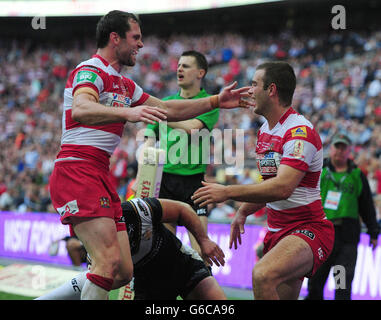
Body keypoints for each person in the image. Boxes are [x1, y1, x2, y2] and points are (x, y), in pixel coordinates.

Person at [48, 10, 252, 299]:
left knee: (121, 271)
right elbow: (81, 109)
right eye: (136, 37)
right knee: (107, 264)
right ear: (115, 38)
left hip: (98, 172)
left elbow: (167, 110)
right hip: (77, 169)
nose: (141, 45)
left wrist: (216, 100)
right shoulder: (90, 70)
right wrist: (127, 112)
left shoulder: (125, 84)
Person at [192, 61, 335, 300]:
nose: (249, 90)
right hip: (277, 231)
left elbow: (283, 188)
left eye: (254, 84)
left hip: (308, 229)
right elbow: (267, 185)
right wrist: (243, 212)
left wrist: (227, 192)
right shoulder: (266, 131)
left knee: (262, 275)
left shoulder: (299, 132)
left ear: (272, 90)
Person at [36, 197, 226, 300]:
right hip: (149, 286)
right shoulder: (94, 246)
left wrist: (204, 240)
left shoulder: (135, 210)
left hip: (183, 267)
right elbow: (94, 286)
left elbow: (182, 209)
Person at [140, 50, 219, 266]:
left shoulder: (209, 103)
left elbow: (192, 129)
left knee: (202, 250)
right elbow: (149, 136)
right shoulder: (166, 102)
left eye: (186, 66)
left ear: (200, 72)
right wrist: (146, 159)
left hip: (194, 183)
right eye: (179, 65)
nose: (179, 69)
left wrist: (162, 113)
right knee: (166, 250)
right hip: (164, 180)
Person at [305, 133, 379, 300]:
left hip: (346, 238)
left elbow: (366, 205)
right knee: (315, 282)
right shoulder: (319, 170)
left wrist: (373, 232)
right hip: (321, 236)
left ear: (349, 151)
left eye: (343, 148)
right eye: (336, 147)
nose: (339, 151)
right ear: (330, 149)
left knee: (342, 283)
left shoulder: (356, 175)